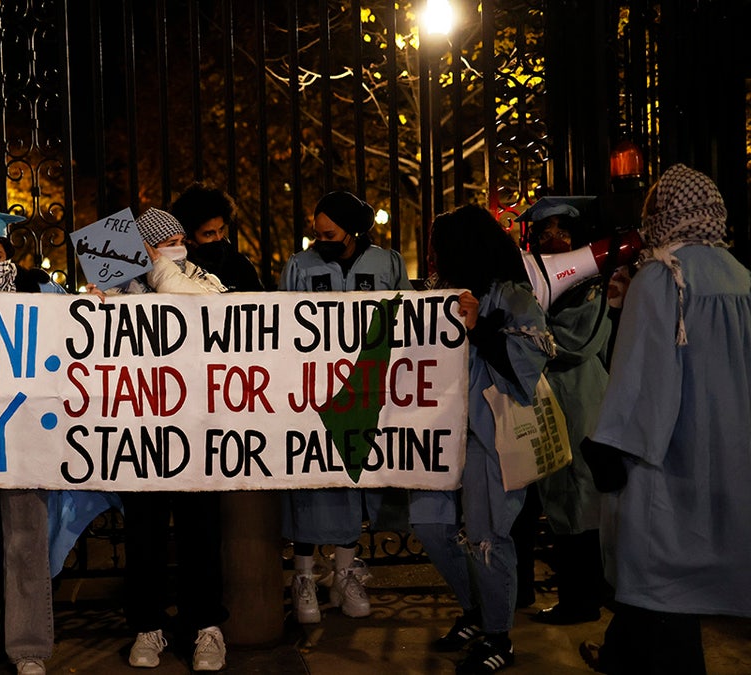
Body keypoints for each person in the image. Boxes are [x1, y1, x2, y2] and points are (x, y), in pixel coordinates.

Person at [0, 210, 119, 675]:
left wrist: (95, 303)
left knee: (25, 540)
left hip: (26, 437)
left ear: (9, 255)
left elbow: (77, 330)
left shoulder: (40, 290)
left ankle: (29, 649)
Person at [577, 165, 751, 674]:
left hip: (669, 459)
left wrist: (609, 445)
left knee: (661, 585)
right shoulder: (742, 278)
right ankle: (620, 654)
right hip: (731, 455)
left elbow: (640, 381)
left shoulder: (663, 279)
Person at [416, 204, 554, 674]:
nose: (436, 259)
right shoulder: (438, 293)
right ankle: (475, 611)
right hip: (438, 433)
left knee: (487, 535)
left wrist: (479, 331)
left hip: (489, 436)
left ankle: (498, 634)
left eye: (443, 249)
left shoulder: (512, 295)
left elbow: (529, 363)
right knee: (430, 524)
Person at [277, 190, 411, 625]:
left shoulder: (388, 264)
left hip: (368, 392)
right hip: (314, 394)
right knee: (311, 478)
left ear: (354, 231)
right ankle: (302, 577)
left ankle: (344, 573)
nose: (321, 240)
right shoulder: (300, 266)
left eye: (330, 233)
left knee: (355, 474)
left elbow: (409, 319)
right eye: (317, 234)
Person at [104, 207, 229, 672]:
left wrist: (161, 268)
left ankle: (206, 628)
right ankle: (147, 626)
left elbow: (203, 304)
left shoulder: (202, 278)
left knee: (201, 532)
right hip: (141, 431)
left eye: (181, 239)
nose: (180, 247)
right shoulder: (116, 289)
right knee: (145, 534)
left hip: (197, 428)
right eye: (167, 241)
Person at [511, 197, 610, 625]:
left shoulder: (588, 286)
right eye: (544, 232)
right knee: (549, 500)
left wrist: (523, 333)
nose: (554, 239)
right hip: (544, 403)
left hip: (576, 403)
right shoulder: (533, 282)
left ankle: (582, 601)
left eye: (561, 230)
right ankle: (532, 592)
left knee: (578, 501)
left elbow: (571, 342)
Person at [169, 182, 263, 291]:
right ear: (189, 238)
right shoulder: (176, 268)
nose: (218, 238)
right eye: (209, 234)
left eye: (221, 229)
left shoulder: (239, 264)